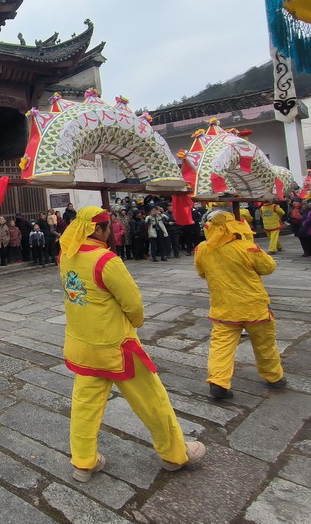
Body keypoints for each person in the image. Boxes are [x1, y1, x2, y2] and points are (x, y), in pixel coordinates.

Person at [58, 206, 205, 482]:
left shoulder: (65, 255)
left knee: (84, 407)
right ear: (99, 229)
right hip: (116, 346)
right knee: (153, 401)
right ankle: (175, 454)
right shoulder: (106, 260)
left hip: (82, 345)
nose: (111, 231)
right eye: (108, 227)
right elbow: (133, 305)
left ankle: (83, 462)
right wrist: (135, 323)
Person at [194, 211, 286, 399]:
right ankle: (274, 377)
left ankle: (218, 382)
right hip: (254, 307)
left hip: (223, 308)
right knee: (265, 344)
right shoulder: (247, 247)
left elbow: (202, 273)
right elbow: (268, 268)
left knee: (221, 346)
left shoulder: (203, 248)